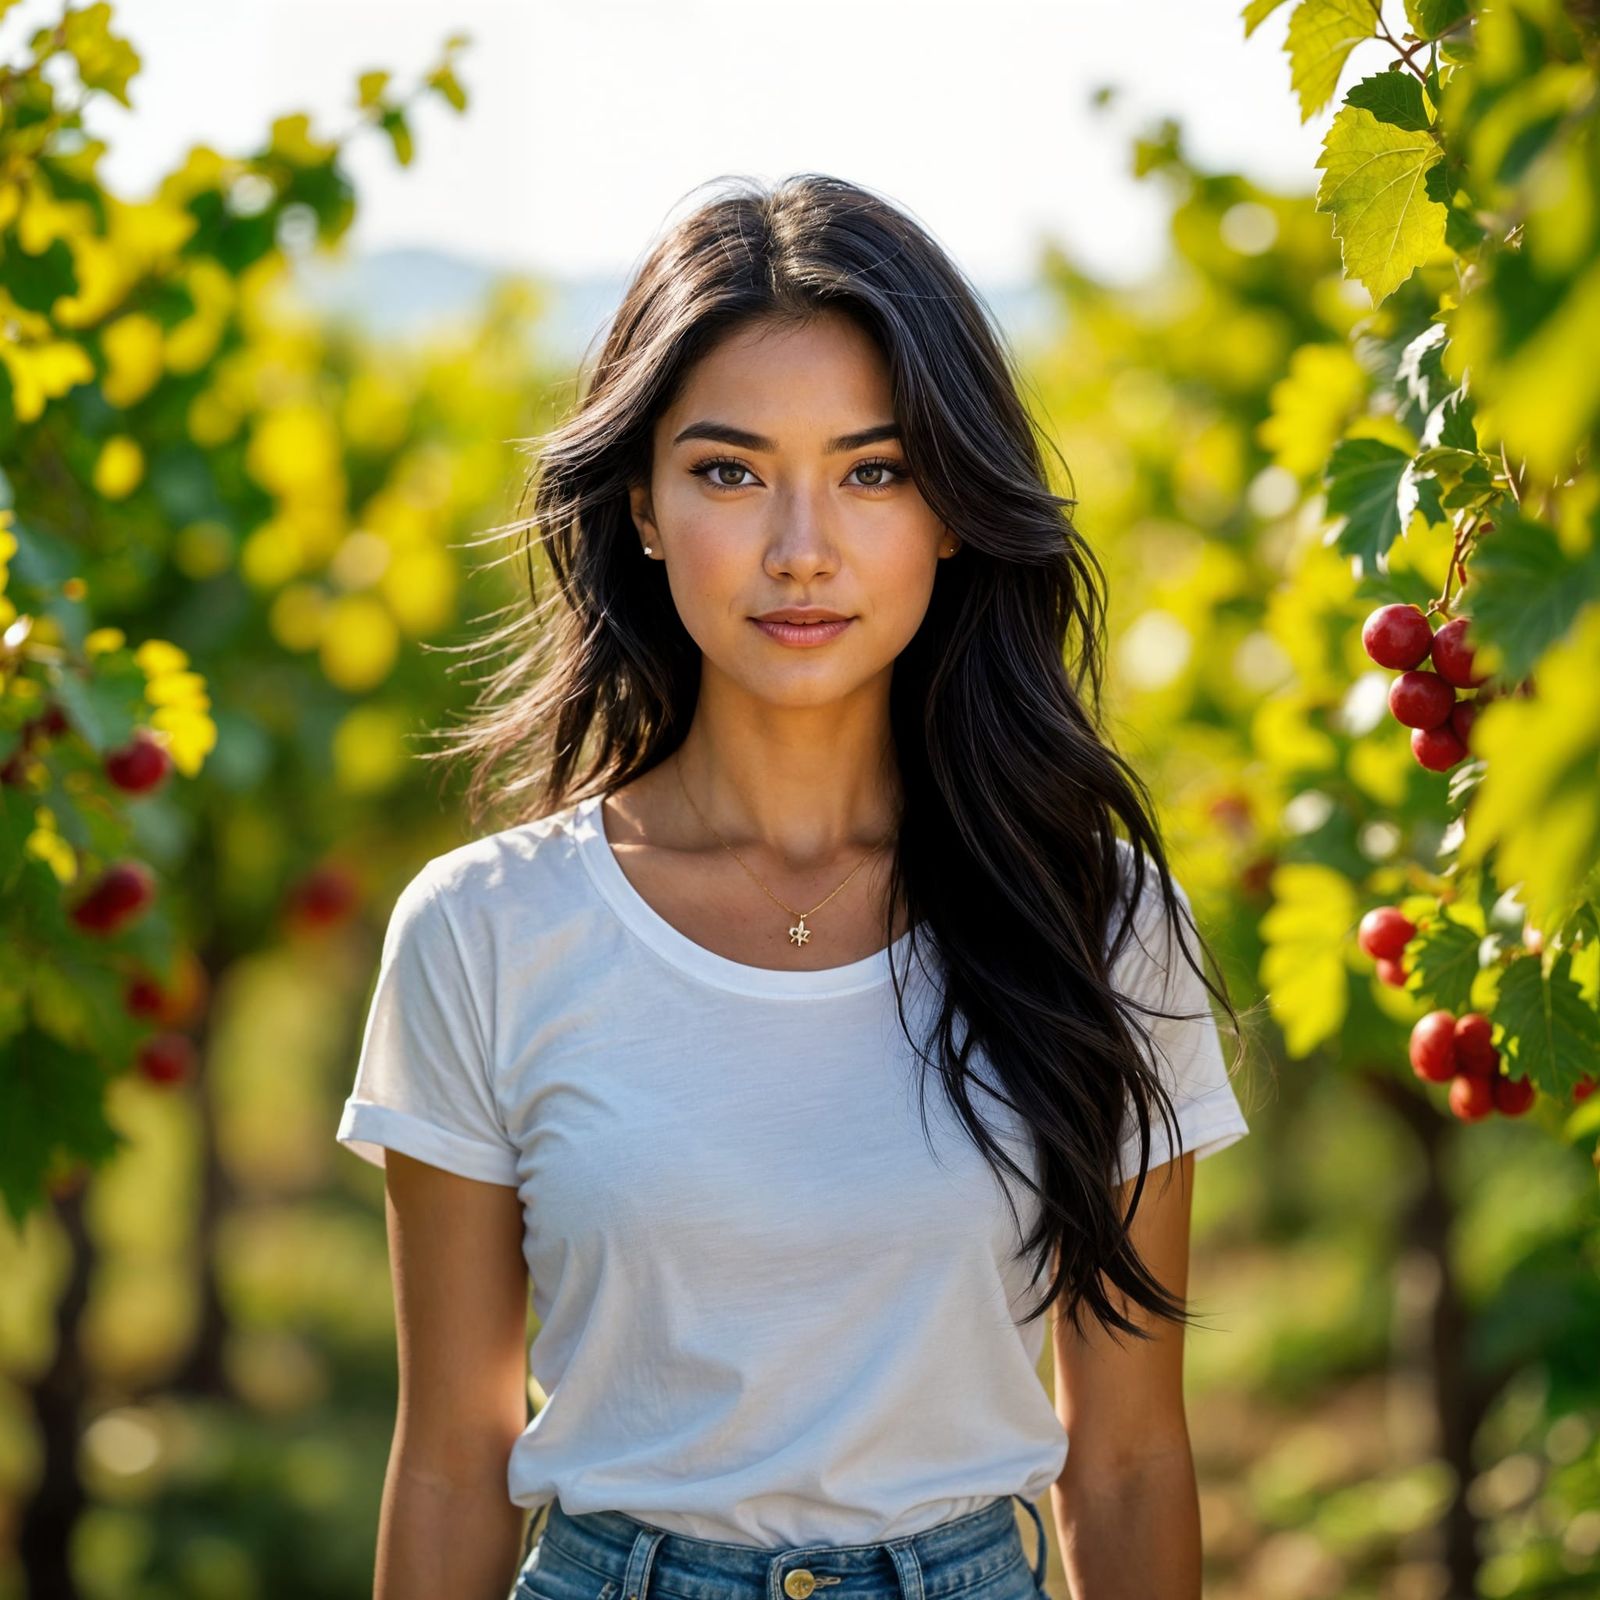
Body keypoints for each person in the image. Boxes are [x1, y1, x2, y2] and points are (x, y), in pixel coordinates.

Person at [335, 172, 1254, 1600]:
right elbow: (454, 1454)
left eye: (874, 470)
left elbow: (1129, 1460)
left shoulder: (1101, 920)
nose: (801, 547)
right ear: (639, 505)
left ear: (952, 510)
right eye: (729, 470)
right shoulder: (483, 930)